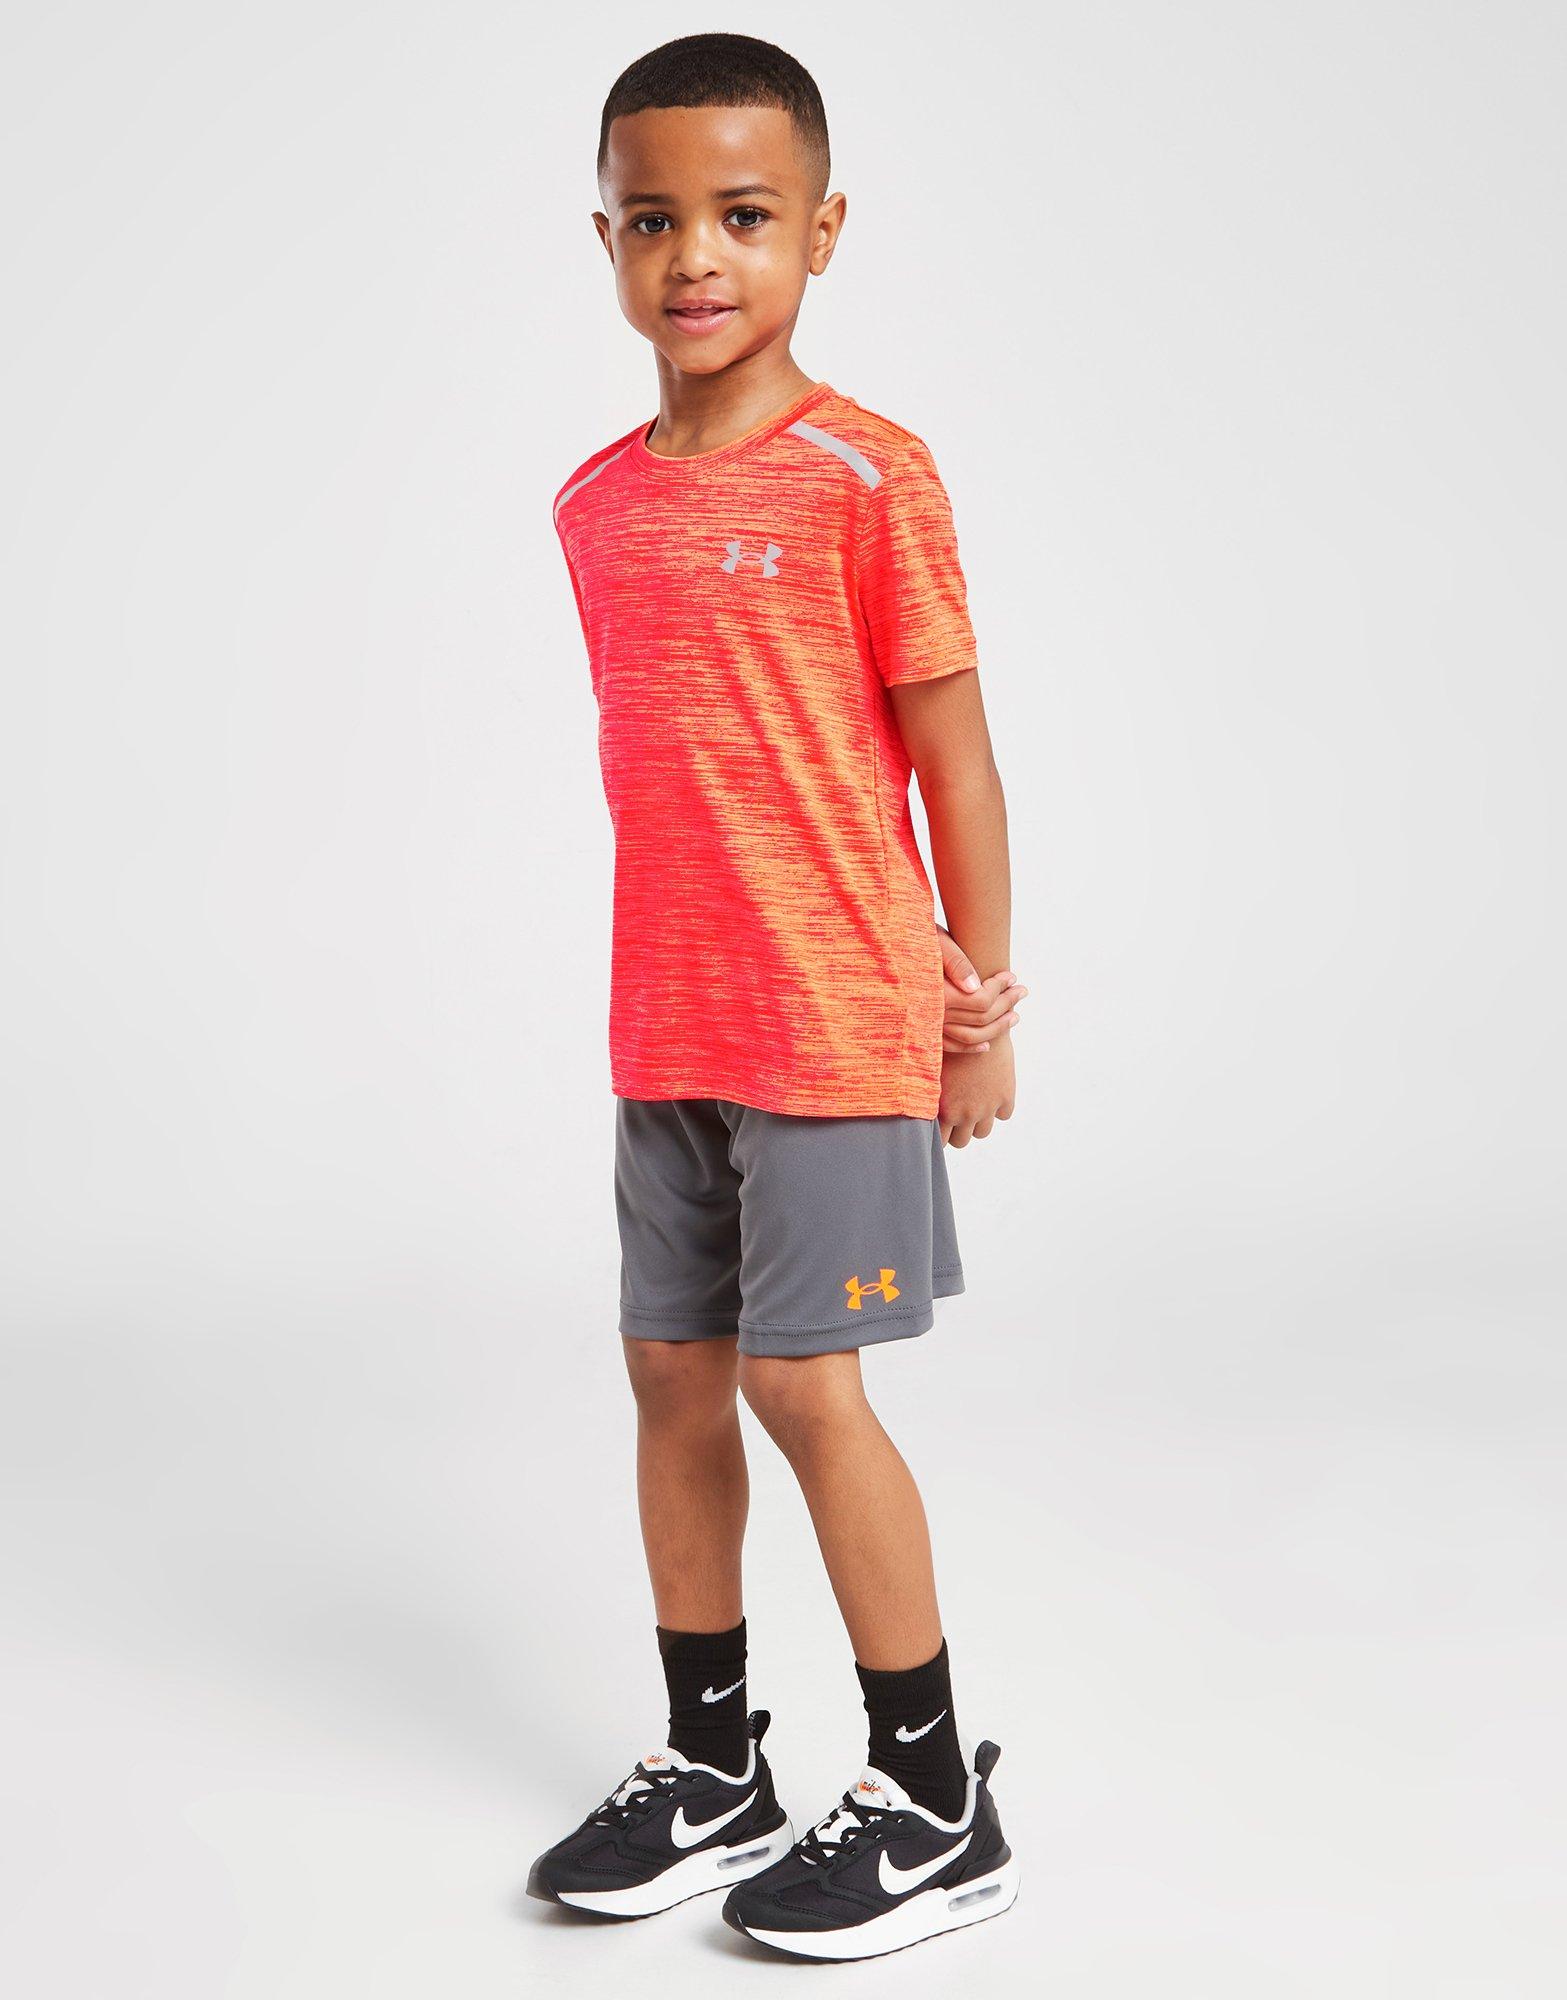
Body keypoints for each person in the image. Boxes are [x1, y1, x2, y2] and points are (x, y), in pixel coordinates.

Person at [528, 33, 1026, 1960]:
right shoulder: (591, 502)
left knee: (805, 1387)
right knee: (673, 1379)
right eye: (653, 219)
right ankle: (713, 1761)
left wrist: (976, 1014)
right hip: (667, 1020)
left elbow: (955, 763)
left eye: (742, 216)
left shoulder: (868, 478)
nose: (697, 257)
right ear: (604, 239)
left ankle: (935, 1794)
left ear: (820, 232)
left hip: (834, 1020)